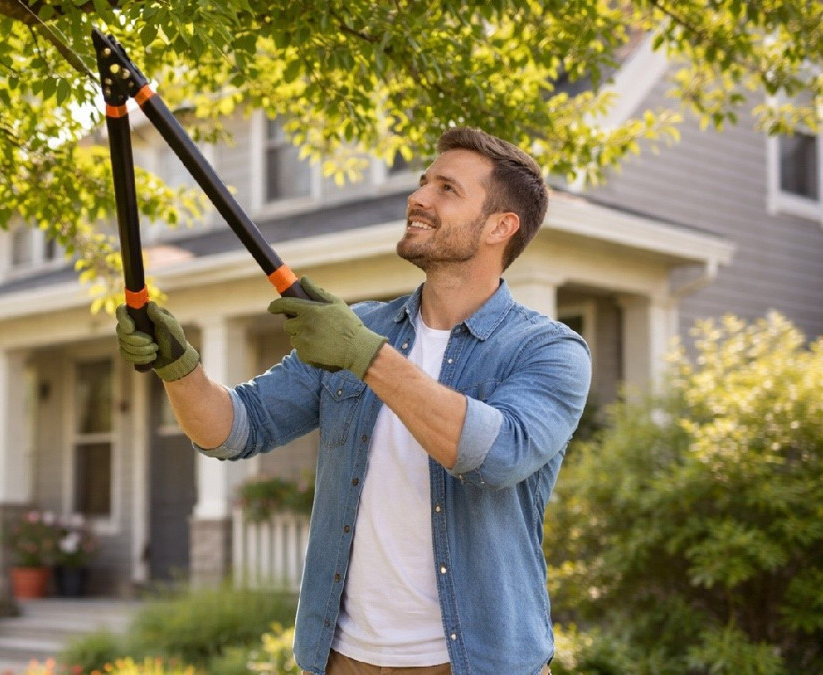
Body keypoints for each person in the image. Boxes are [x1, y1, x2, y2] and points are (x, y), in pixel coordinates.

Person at [116, 127, 591, 675]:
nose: (418, 197)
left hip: (474, 662)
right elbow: (235, 429)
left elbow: (496, 455)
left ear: (500, 226)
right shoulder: (363, 326)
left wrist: (366, 356)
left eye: (446, 189)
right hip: (343, 660)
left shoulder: (547, 350)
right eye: (422, 183)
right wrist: (179, 368)